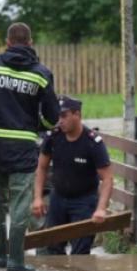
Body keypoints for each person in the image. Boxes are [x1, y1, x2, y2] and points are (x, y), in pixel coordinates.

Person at [0, 22, 59, 271]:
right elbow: (53, 117)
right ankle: (16, 260)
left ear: (7, 42)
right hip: (23, 148)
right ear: (30, 43)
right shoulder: (41, 73)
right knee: (20, 204)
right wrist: (37, 125)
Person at [32, 96, 112, 255]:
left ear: (77, 115)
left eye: (64, 116)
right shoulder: (53, 137)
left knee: (81, 252)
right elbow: (41, 168)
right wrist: (38, 198)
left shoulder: (92, 142)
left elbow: (108, 178)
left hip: (84, 201)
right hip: (58, 199)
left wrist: (101, 209)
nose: (60, 121)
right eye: (58, 116)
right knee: (52, 249)